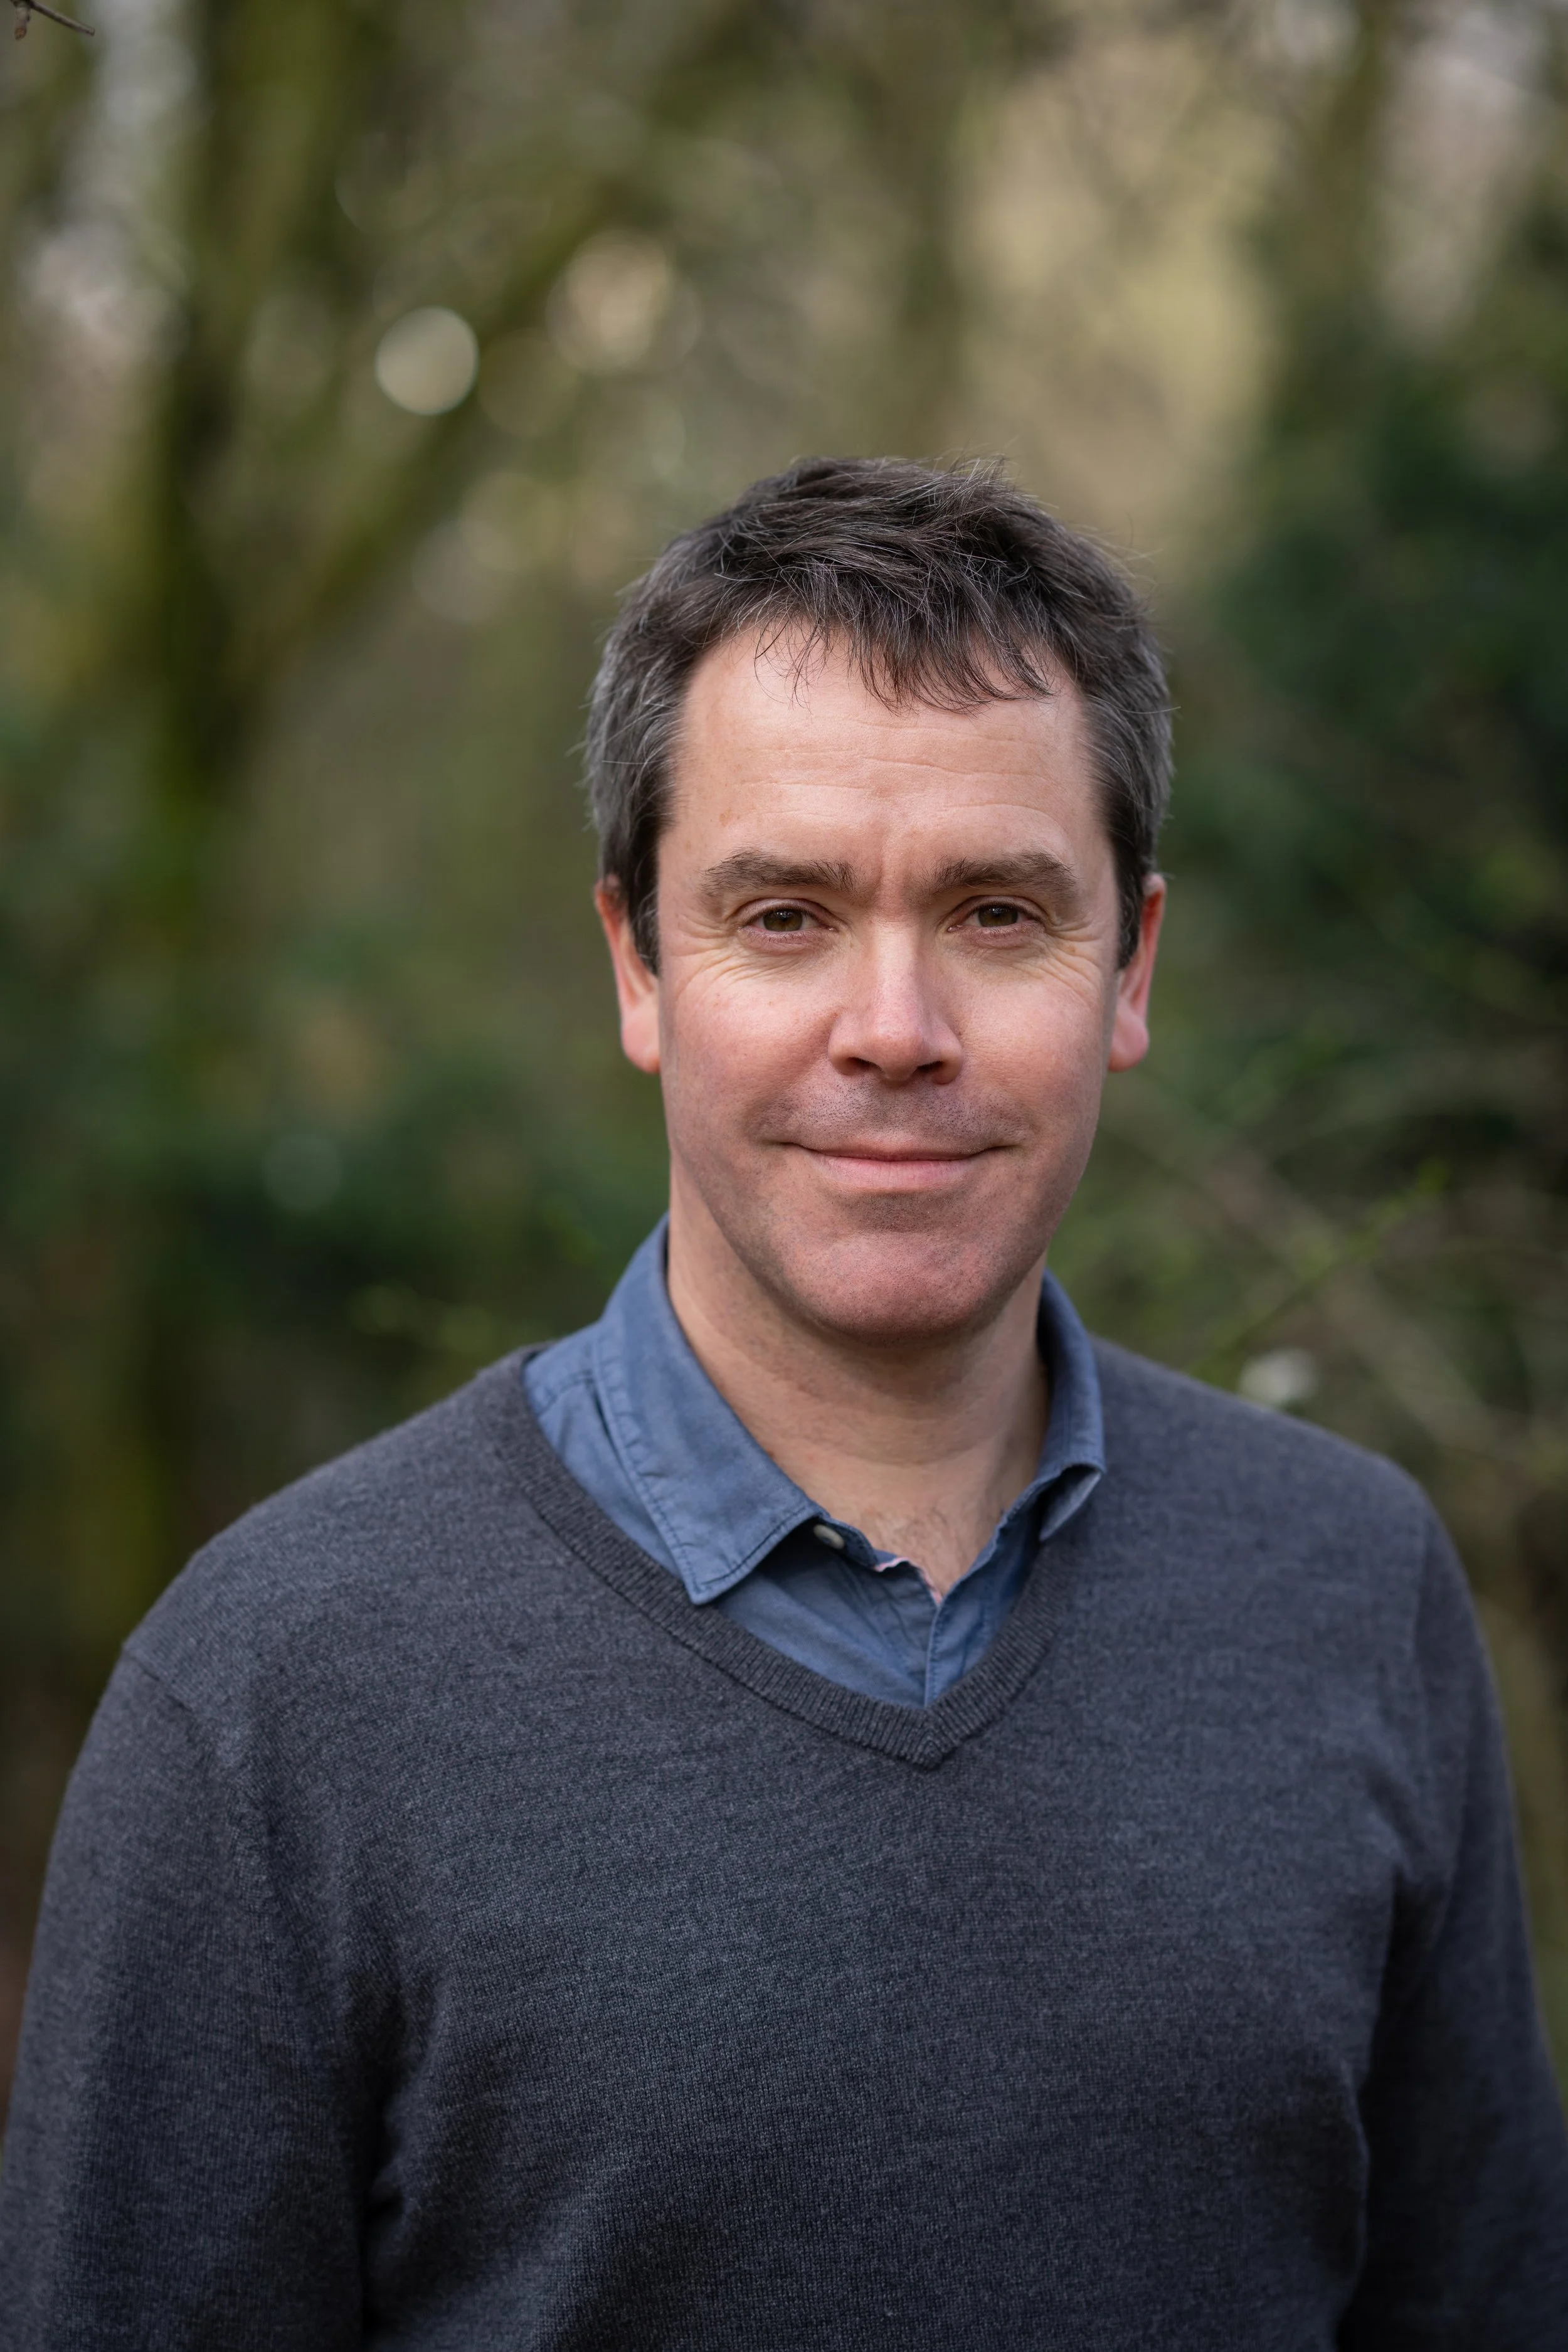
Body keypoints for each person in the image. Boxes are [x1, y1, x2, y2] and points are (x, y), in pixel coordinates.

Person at [1, 457, 1564, 2348]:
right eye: (784, 915)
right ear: (636, 965)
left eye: (996, 913)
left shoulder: (1350, 1588)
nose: (893, 1026)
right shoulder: (273, 1698)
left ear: (1128, 968)